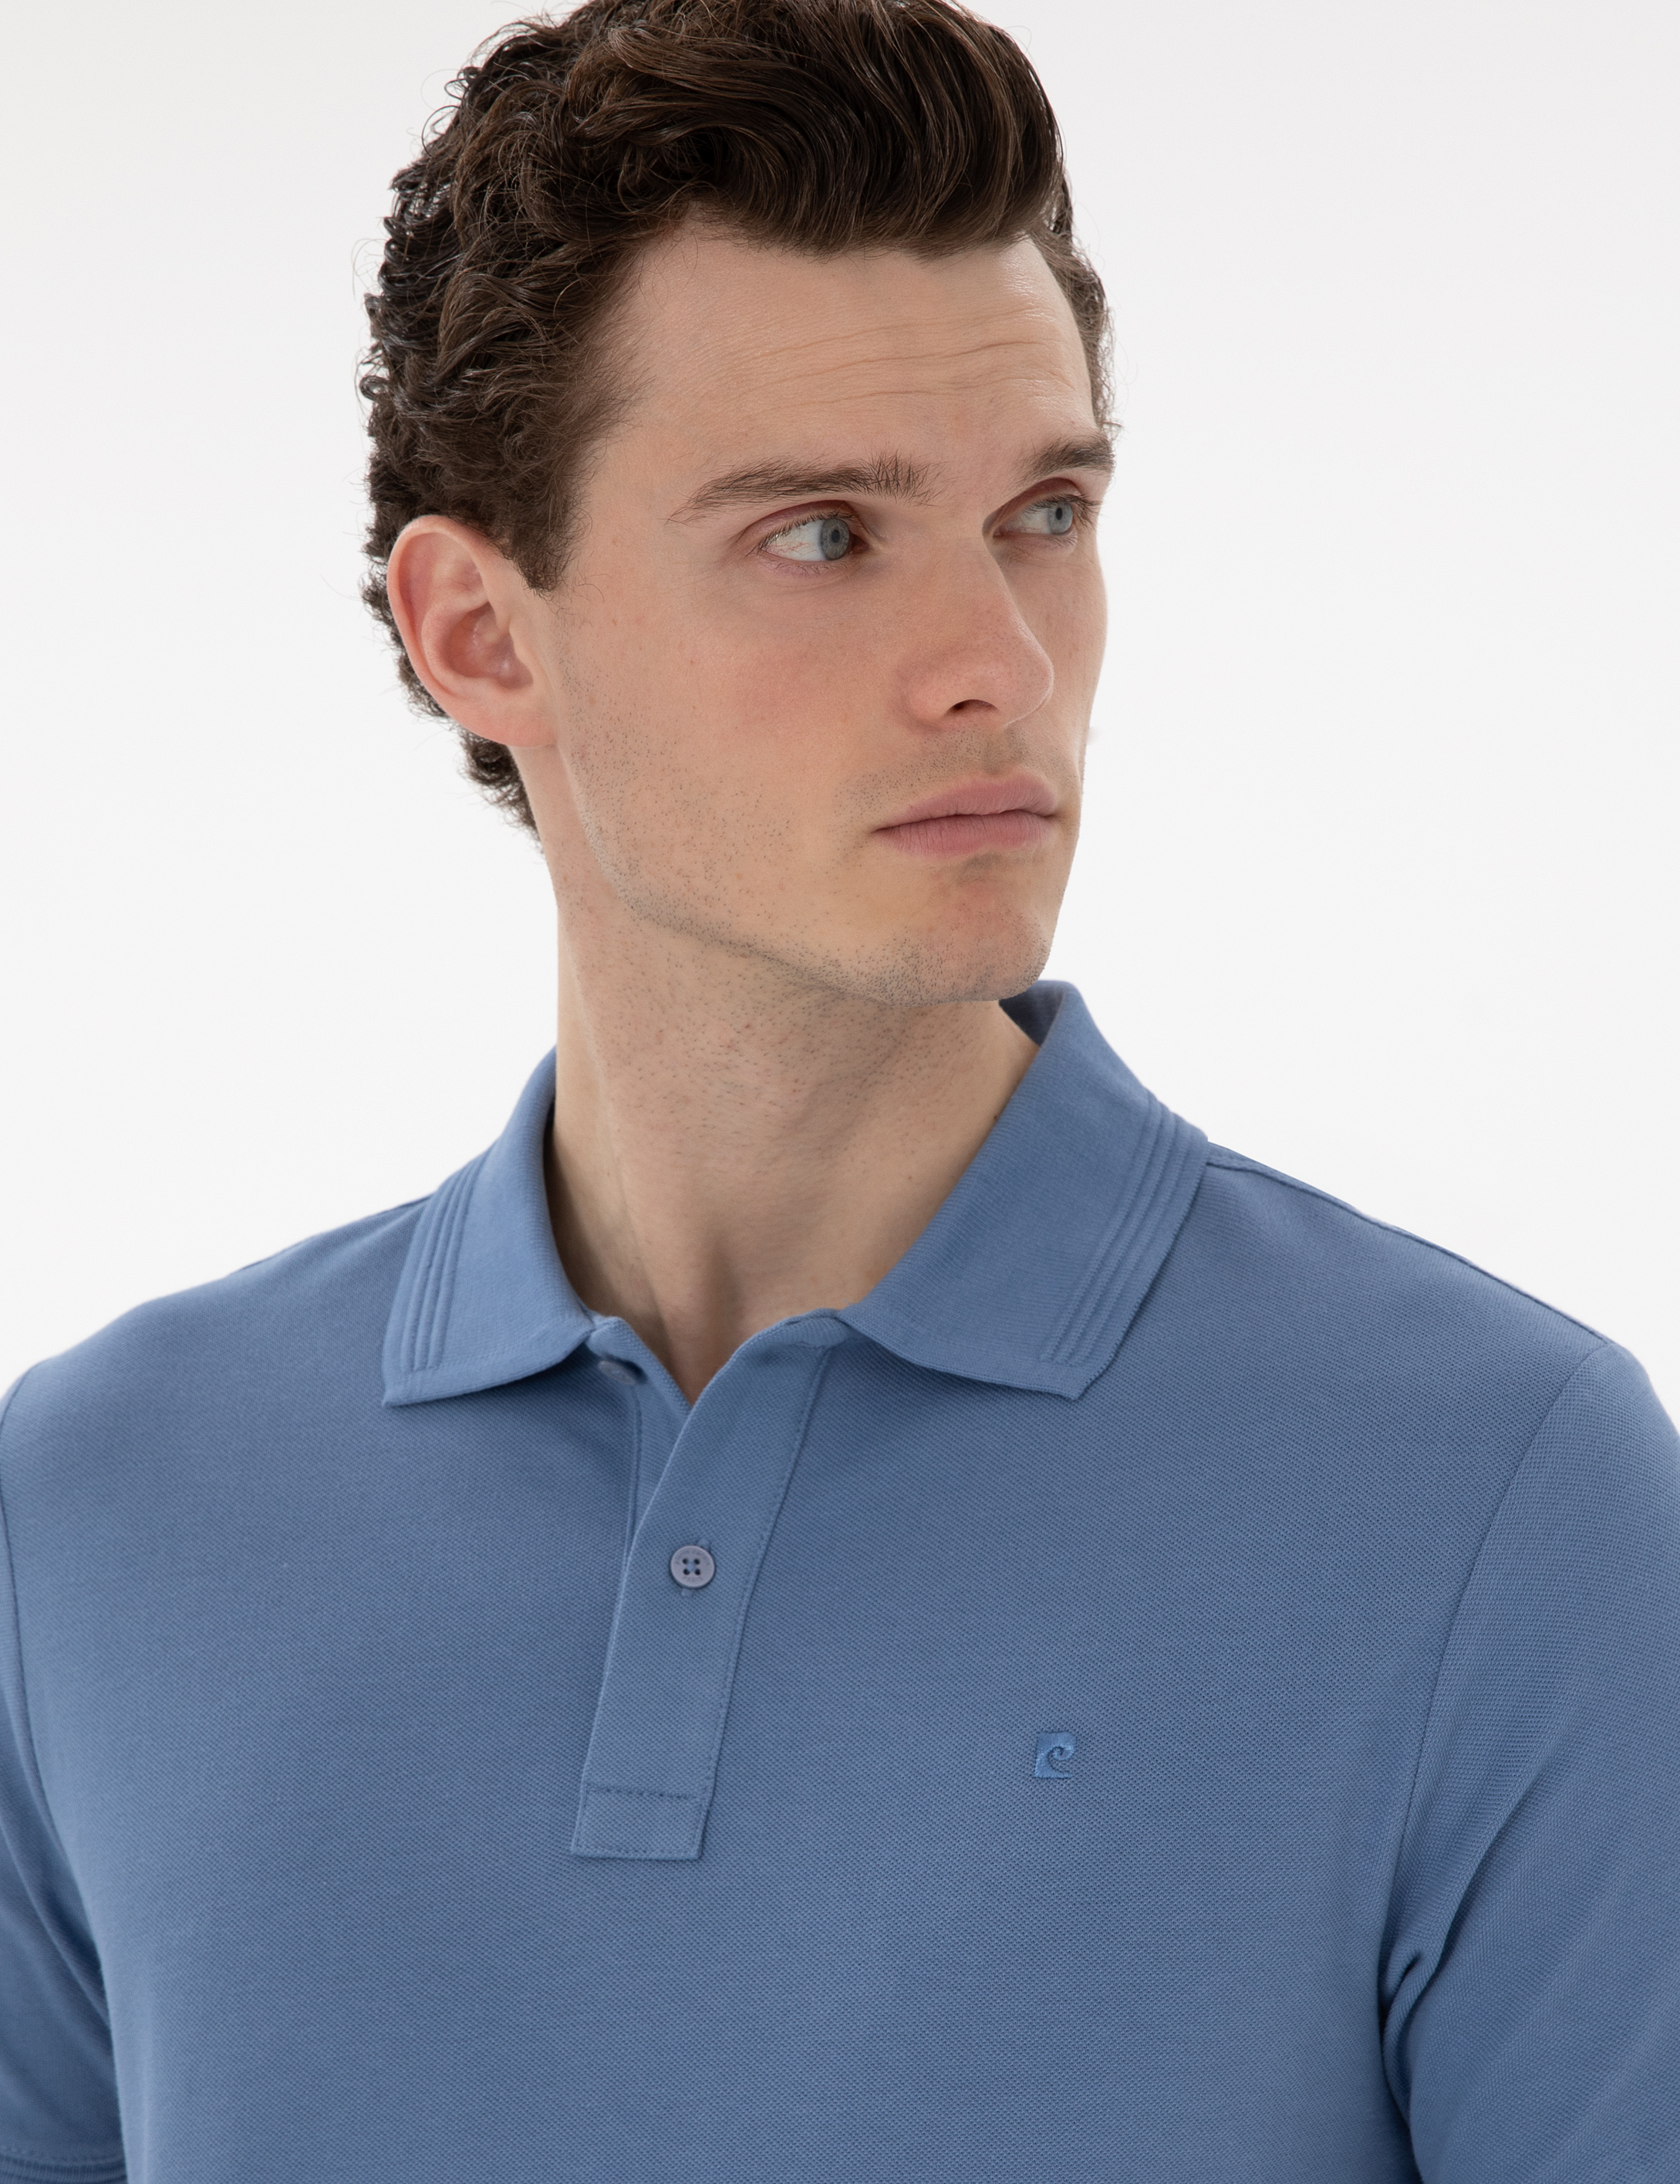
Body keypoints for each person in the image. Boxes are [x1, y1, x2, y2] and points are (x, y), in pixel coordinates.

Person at [1, 0, 1675, 2176]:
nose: (997, 661)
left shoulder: (1502, 1499)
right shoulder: (94, 1514)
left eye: (1044, 511)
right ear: (482, 634)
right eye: (821, 535)